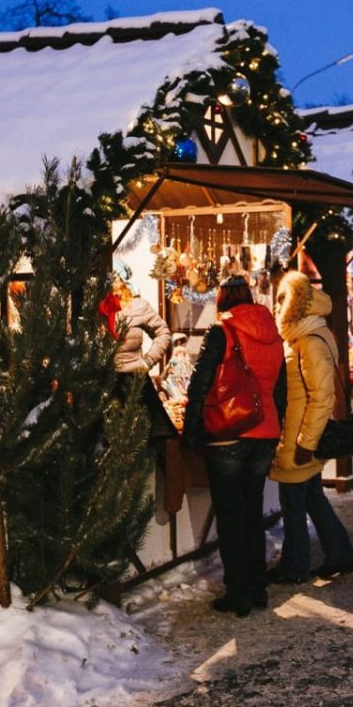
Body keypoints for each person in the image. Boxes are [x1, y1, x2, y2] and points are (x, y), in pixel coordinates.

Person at [182, 275, 286, 616]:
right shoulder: (273, 334)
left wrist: (192, 431)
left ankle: (238, 592)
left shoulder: (222, 332)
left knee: (230, 516)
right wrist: (276, 426)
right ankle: (257, 587)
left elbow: (200, 384)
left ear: (223, 300)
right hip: (264, 432)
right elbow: (280, 390)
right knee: (252, 513)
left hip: (229, 431)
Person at [269, 272, 353, 583]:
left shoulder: (308, 341)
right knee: (312, 498)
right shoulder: (307, 335)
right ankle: (340, 554)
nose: (278, 308)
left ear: (294, 306)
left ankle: (296, 567)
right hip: (300, 435)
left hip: (300, 439)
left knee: (293, 505)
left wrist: (306, 443)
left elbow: (321, 398)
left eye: (282, 302)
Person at [111, 261, 177, 439]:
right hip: (104, 382)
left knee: (145, 439)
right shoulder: (96, 307)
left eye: (115, 278)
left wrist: (147, 361)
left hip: (134, 380)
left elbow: (163, 333)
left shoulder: (138, 306)